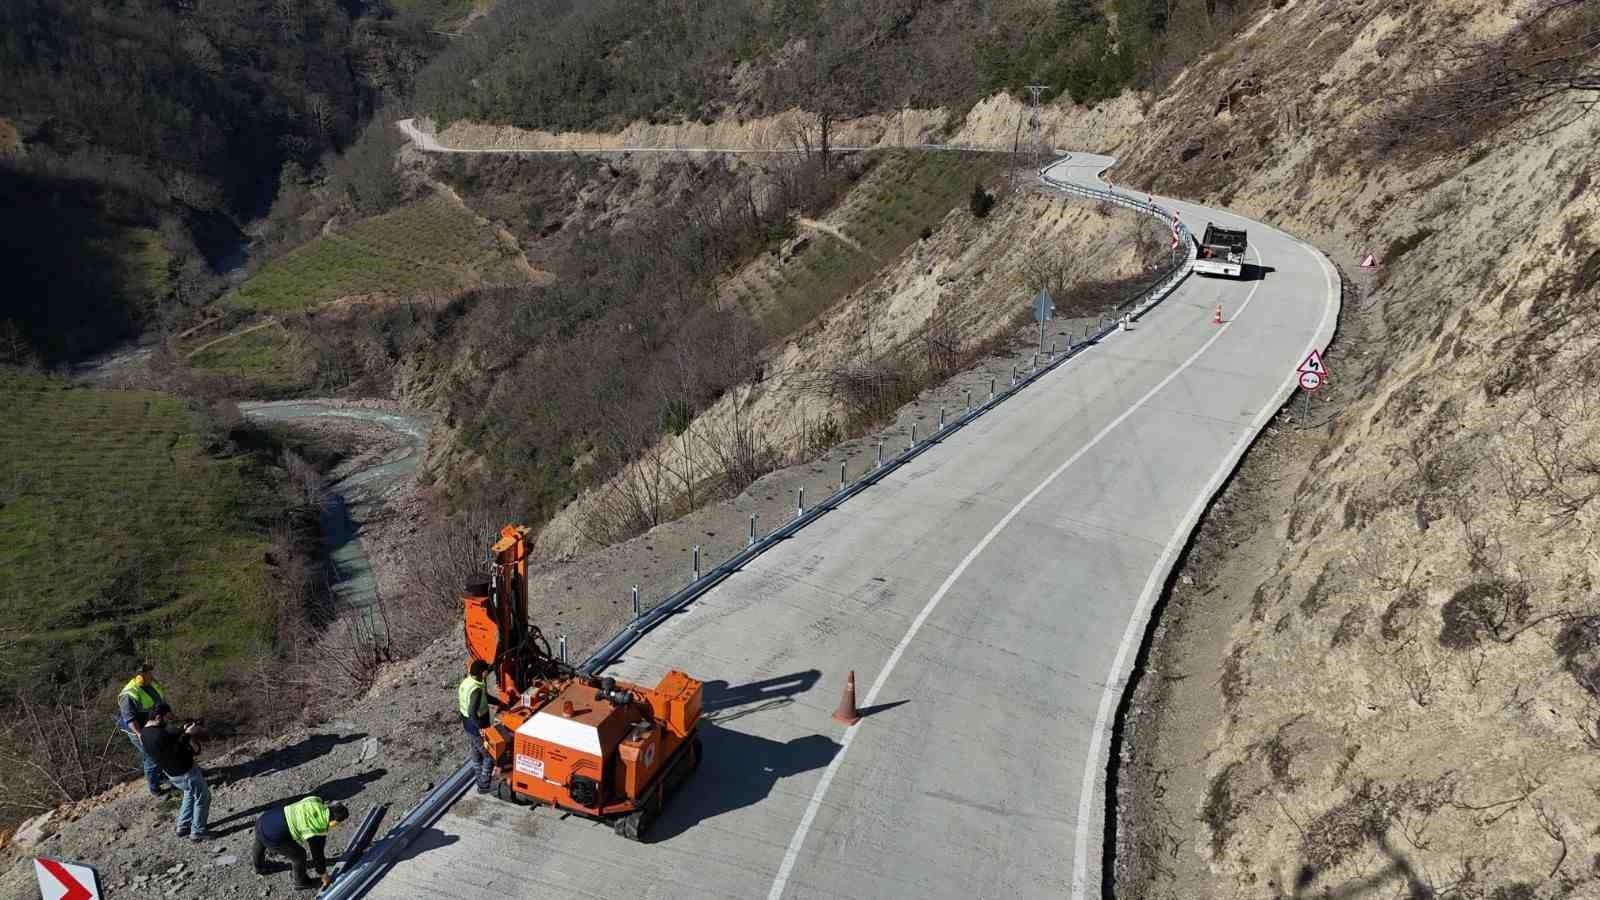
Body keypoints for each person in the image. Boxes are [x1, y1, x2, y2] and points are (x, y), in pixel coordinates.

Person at [137, 704, 211, 840]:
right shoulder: (159, 735)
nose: (168, 721)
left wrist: (182, 730)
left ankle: (183, 826)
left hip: (172, 774)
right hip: (185, 772)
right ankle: (198, 831)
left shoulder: (144, 734)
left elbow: (167, 740)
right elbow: (178, 750)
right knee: (203, 797)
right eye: (166, 718)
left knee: (189, 793)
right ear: (158, 717)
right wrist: (188, 734)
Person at [252, 796, 349, 890]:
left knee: (261, 837)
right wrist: (323, 875)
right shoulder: (318, 829)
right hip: (273, 836)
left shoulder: (315, 800)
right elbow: (318, 856)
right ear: (334, 823)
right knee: (299, 855)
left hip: (264, 820)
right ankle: (301, 882)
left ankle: (259, 866)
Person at [116, 662, 168, 796]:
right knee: (150, 756)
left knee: (161, 750)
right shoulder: (128, 695)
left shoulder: (151, 684)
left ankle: (161, 776)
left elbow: (160, 702)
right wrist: (140, 735)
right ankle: (155, 789)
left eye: (150, 672)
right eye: (148, 673)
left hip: (151, 724)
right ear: (140, 676)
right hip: (137, 729)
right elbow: (130, 719)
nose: (151, 674)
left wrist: (169, 714)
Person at [459, 660, 502, 794]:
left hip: (467, 725)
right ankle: (484, 785)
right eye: (487, 672)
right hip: (476, 726)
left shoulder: (469, 682)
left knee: (476, 751)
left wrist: (499, 702)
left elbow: (486, 697)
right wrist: (480, 728)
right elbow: (472, 711)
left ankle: (479, 777)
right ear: (482, 673)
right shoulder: (476, 690)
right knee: (489, 754)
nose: (488, 674)